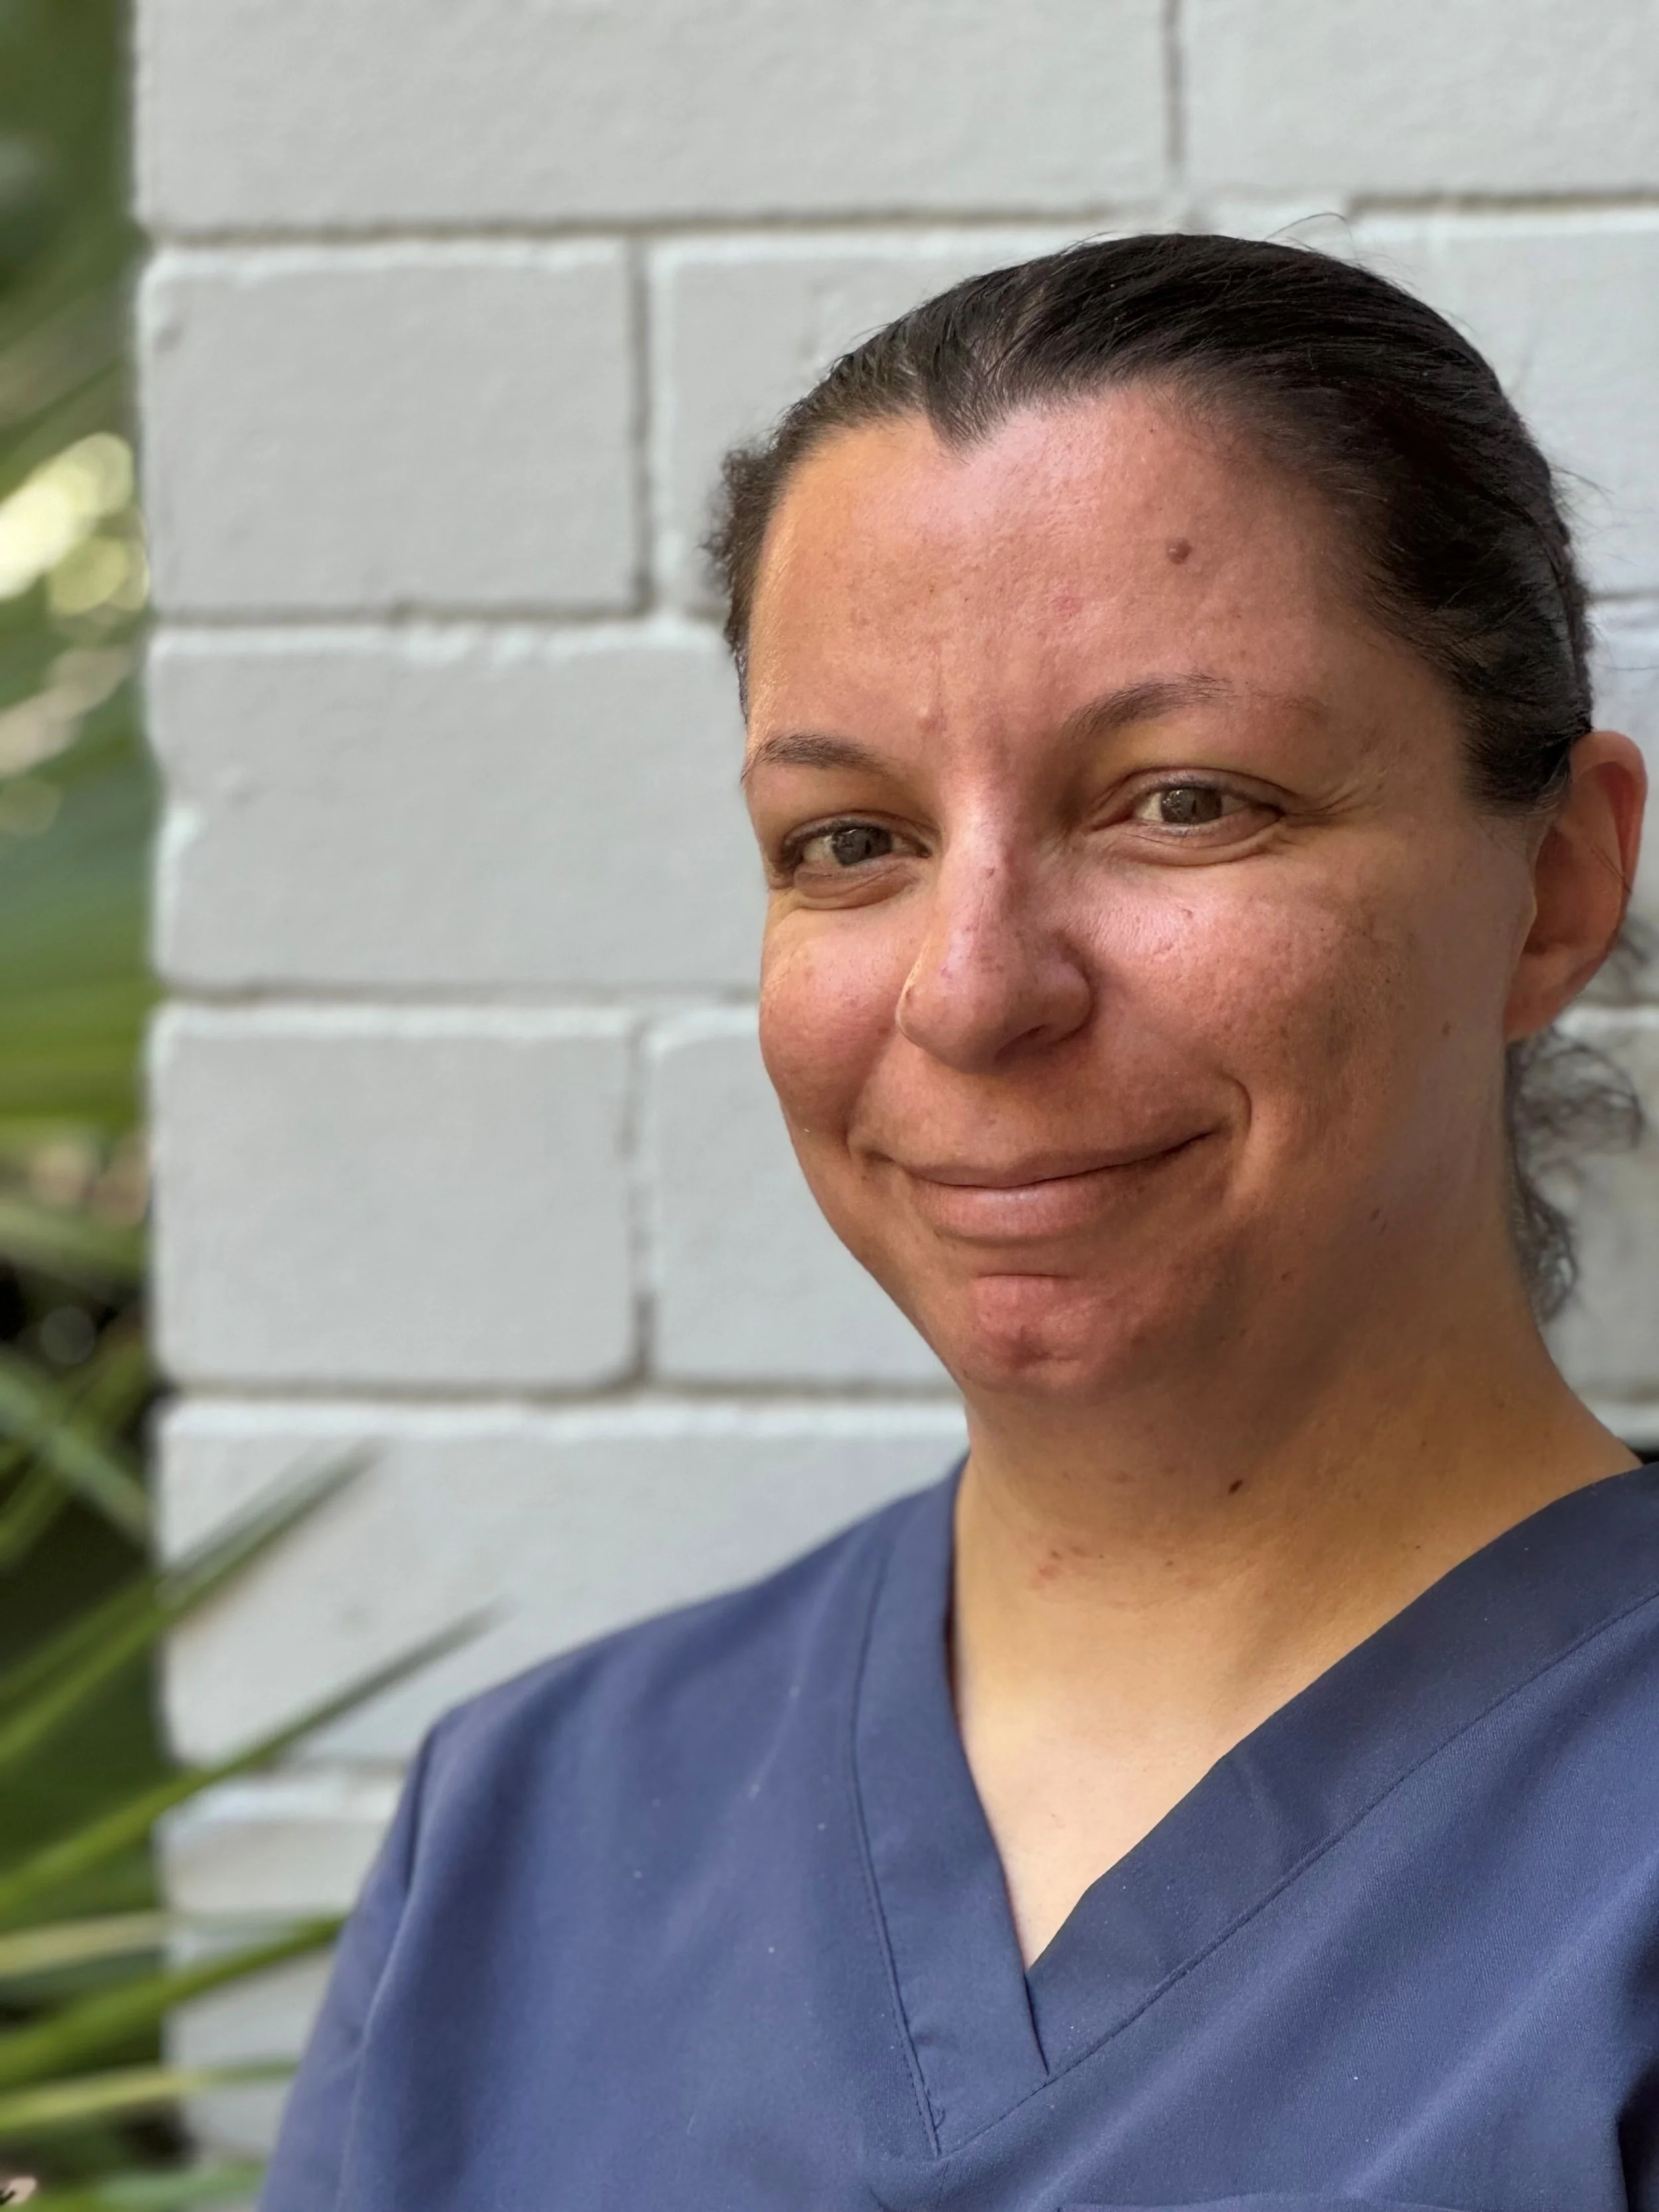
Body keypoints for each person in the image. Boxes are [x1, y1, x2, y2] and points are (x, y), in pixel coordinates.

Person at [261, 234, 1656, 2211]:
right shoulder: (520, 1838)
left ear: (1557, 885)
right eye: (851, 841)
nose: (973, 990)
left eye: (1183, 800)